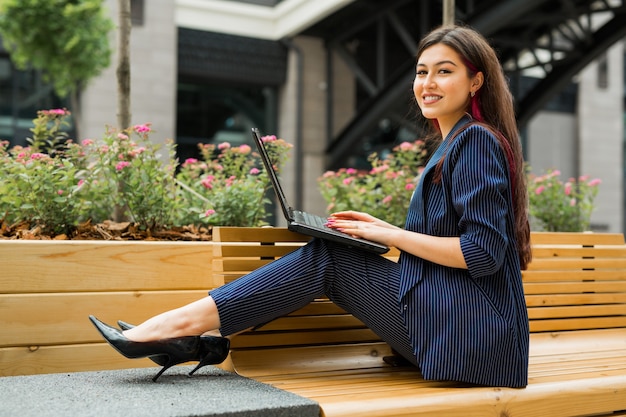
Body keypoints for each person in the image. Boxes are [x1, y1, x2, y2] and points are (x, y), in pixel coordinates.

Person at [90, 24, 531, 388]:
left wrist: (390, 235)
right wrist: (379, 227)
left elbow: (483, 254)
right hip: (460, 329)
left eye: (444, 71)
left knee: (330, 257)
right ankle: (188, 333)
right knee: (337, 250)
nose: (428, 83)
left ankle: (177, 328)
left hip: (469, 337)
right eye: (421, 72)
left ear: (475, 81)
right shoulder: (458, 141)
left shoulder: (474, 142)